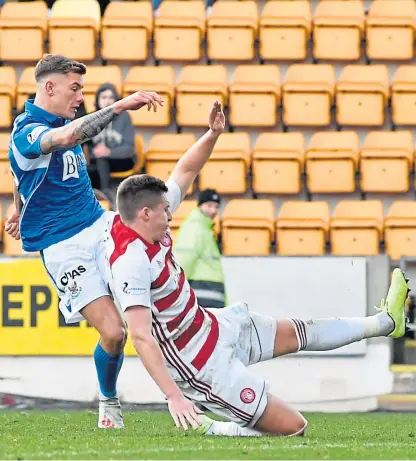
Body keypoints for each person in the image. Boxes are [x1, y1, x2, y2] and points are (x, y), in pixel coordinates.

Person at [105, 102, 410, 437]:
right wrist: (175, 397)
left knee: (298, 331)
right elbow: (141, 337)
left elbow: (186, 171)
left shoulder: (147, 222)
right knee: (294, 428)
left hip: (214, 325)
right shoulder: (131, 261)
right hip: (200, 365)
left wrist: (212, 134)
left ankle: (386, 323)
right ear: (145, 213)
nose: (171, 215)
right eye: (165, 210)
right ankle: (212, 429)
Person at [5, 53, 164, 429]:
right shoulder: (29, 129)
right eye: (75, 88)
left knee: (158, 248)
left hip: (98, 222)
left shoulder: (60, 119)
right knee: (112, 333)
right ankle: (108, 400)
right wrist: (121, 106)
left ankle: (205, 372)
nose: (79, 97)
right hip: (63, 244)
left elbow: (17, 174)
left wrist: (16, 208)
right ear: (50, 86)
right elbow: (66, 138)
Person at [174, 189, 226, 308]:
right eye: (209, 205)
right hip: (203, 294)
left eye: (216, 207)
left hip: (208, 294)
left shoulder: (205, 228)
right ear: (200, 206)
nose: (213, 210)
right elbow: (184, 261)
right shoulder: (195, 227)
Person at [87, 83, 136, 202]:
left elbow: (129, 149)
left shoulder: (124, 117)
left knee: (101, 159)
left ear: (116, 100)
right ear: (97, 100)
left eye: (111, 97)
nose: (107, 101)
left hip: (123, 159)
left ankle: (105, 194)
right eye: (103, 97)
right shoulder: (91, 118)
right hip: (97, 161)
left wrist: (108, 152)